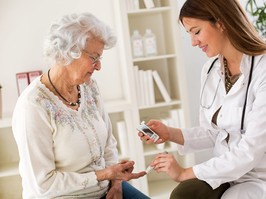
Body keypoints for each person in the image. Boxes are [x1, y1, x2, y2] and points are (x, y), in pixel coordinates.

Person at [12, 12, 149, 199]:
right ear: (68, 53)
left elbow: (109, 144)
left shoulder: (89, 88)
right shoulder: (33, 106)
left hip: (106, 188)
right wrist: (105, 175)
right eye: (94, 58)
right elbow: (43, 184)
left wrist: (116, 182)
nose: (99, 66)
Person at [138, 0, 266, 198]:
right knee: (183, 195)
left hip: (259, 176)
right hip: (224, 173)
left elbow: (251, 150)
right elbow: (213, 132)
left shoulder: (262, 69)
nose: (193, 42)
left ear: (221, 22)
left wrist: (185, 173)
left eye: (196, 31)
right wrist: (170, 133)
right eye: (189, 33)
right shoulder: (210, 70)